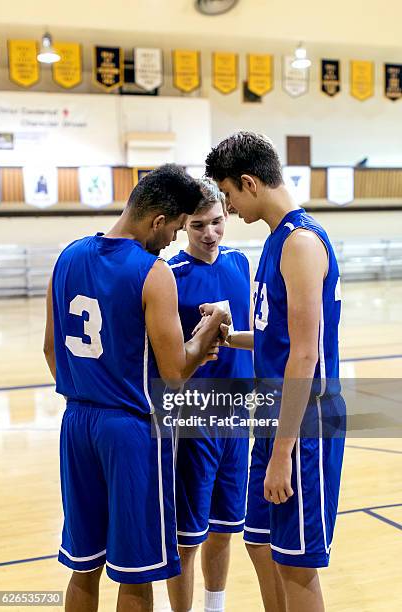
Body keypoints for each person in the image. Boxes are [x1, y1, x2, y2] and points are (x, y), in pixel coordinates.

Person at [43, 164, 230, 612]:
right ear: (158, 221)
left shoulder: (67, 255)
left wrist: (93, 385)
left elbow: (51, 349)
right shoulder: (153, 271)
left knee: (83, 566)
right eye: (177, 229)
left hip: (76, 422)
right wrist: (210, 331)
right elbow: (173, 371)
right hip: (130, 430)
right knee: (137, 571)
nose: (172, 242)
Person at [204, 132, 345, 612]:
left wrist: (282, 452)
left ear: (249, 183)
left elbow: (304, 356)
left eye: (228, 194)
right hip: (274, 416)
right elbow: (275, 338)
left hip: (303, 424)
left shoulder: (301, 243)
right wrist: (228, 335)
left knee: (296, 564)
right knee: (259, 542)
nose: (229, 206)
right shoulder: (275, 241)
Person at [166, 179, 253, 612]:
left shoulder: (241, 264)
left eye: (217, 222)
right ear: (183, 224)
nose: (210, 233)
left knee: (225, 526)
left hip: (238, 415)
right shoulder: (168, 277)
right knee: (188, 534)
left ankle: (214, 607)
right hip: (193, 416)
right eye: (198, 225)